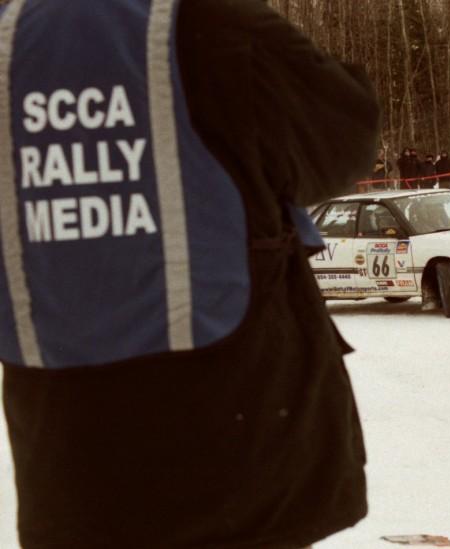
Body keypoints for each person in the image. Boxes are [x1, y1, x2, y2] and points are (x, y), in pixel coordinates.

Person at [0, 2, 378, 549]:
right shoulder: (214, 26)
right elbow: (345, 135)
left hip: (67, 474)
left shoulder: (10, 41)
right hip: (241, 461)